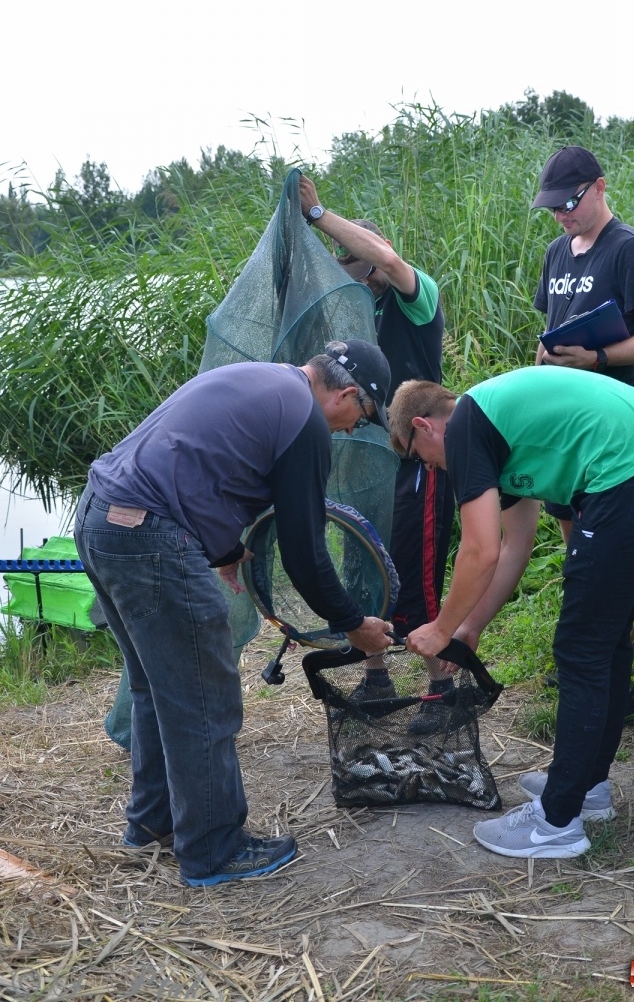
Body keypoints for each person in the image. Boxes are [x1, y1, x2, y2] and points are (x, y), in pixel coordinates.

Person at [74, 340, 395, 887]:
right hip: (151, 536)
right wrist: (353, 625)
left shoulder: (263, 379)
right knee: (204, 698)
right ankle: (214, 849)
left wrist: (224, 552)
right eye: (360, 417)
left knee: (156, 686)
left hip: (100, 519)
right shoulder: (306, 421)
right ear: (345, 393)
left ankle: (153, 824)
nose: (348, 430)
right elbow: (305, 552)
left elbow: (193, 464)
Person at [388, 367, 634, 858]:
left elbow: (480, 549)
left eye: (419, 459)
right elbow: (516, 544)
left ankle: (556, 824)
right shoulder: (496, 433)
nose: (430, 470)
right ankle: (588, 789)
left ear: (424, 427)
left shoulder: (468, 424)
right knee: (605, 643)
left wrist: (440, 628)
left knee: (581, 652)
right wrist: (469, 627)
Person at [300, 177, 455, 728]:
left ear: (372, 269)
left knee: (416, 567)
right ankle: (376, 673)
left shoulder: (417, 299)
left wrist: (316, 212)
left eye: (356, 273)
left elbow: (388, 259)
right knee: (361, 562)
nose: (351, 288)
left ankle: (444, 687)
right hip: (362, 462)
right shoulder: (348, 320)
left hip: (419, 455)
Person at [532, 144, 634, 544]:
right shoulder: (556, 251)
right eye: (553, 209)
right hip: (559, 413)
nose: (561, 216)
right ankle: (582, 595)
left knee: (611, 535)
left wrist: (598, 358)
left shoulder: (630, 248)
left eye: (569, 204)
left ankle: (619, 606)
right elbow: (549, 326)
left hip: (607, 418)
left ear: (599, 187)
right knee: (568, 520)